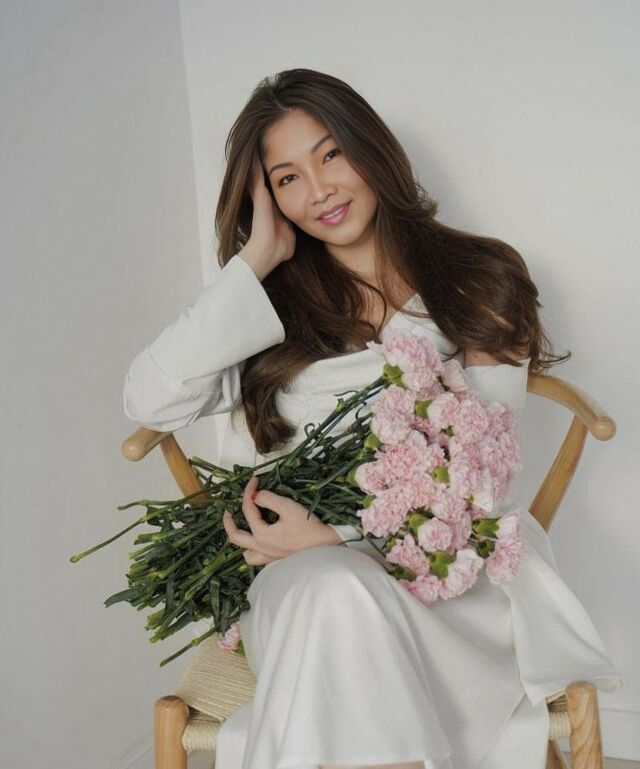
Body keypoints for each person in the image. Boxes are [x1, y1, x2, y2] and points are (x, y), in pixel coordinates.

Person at [123, 69, 622, 769]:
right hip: (298, 579)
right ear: (267, 198)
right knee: (330, 589)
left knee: (340, 588)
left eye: (330, 154)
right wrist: (257, 258)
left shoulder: (475, 277)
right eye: (287, 178)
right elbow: (148, 400)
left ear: (370, 146)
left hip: (446, 579)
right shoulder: (263, 309)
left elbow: (482, 473)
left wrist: (340, 534)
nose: (319, 189)